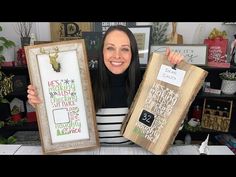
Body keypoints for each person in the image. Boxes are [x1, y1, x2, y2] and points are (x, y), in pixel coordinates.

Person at [27, 25, 184, 145]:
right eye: (110, 48)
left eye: (124, 49)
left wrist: (175, 77)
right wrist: (42, 103)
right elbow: (61, 122)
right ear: (102, 52)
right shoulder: (83, 82)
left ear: (133, 54)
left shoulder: (147, 84)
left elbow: (173, 126)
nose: (117, 55)